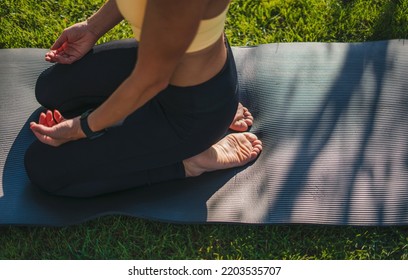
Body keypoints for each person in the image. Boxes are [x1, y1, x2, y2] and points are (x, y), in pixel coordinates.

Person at [24, 0, 262, 197]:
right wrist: (92, 27)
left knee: (43, 167)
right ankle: (218, 103)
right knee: (50, 89)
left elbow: (149, 81)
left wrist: (80, 128)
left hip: (190, 114)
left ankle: (191, 161)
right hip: (163, 59)